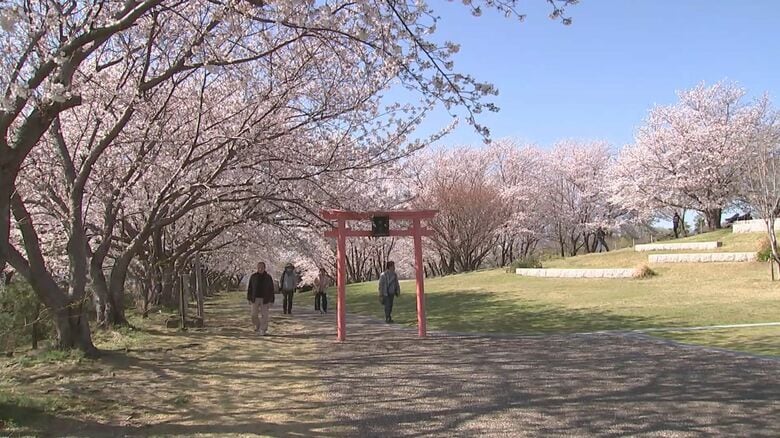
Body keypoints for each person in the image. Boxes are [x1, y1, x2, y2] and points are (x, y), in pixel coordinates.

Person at [247, 261, 275, 335]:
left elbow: (271, 289)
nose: (260, 269)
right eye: (259, 267)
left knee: (264, 315)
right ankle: (257, 325)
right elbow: (250, 288)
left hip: (265, 299)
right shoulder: (253, 276)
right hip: (255, 298)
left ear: (264, 268)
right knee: (253, 315)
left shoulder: (268, 277)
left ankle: (263, 329)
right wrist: (249, 298)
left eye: (262, 267)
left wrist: (271, 300)